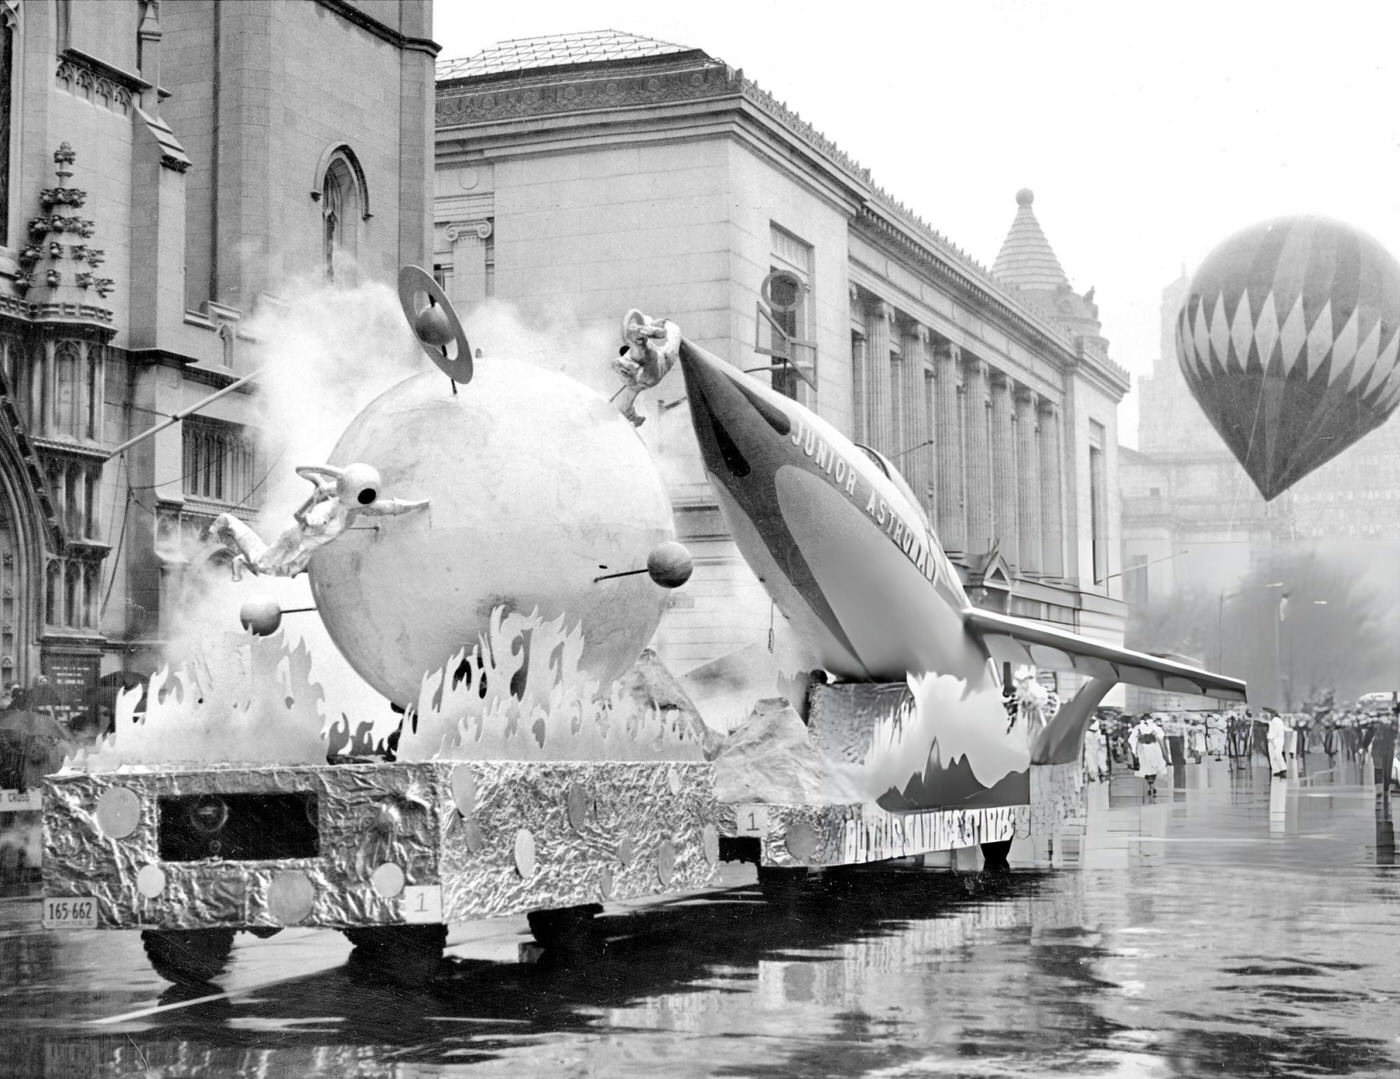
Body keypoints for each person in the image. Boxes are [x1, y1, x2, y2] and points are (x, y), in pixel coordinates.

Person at [209, 463, 429, 579]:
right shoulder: (330, 507)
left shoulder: (356, 507)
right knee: (262, 563)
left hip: (308, 547)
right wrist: (312, 520)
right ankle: (227, 521)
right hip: (295, 540)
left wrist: (417, 505)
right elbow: (317, 518)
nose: (367, 499)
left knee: (274, 570)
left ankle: (240, 560)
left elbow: (389, 507)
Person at [612, 312, 681, 427]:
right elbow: (667, 332)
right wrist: (663, 324)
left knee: (625, 404)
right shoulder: (634, 353)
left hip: (650, 373)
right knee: (675, 333)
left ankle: (634, 417)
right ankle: (634, 417)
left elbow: (661, 333)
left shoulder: (637, 351)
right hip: (655, 369)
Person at [1129, 714, 1171, 799]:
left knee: (1151, 767)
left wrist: (1135, 750)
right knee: (1148, 767)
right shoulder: (1140, 727)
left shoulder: (1150, 727)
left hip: (1150, 748)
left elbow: (1161, 734)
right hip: (1147, 748)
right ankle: (1151, 785)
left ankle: (1151, 785)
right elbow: (1132, 739)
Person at [1266, 710, 1289, 777]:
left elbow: (1274, 731)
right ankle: (1279, 770)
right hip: (1277, 739)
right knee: (1275, 755)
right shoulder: (1278, 721)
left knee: (1276, 755)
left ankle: (1282, 769)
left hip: (1275, 740)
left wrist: (1270, 737)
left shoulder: (1275, 721)